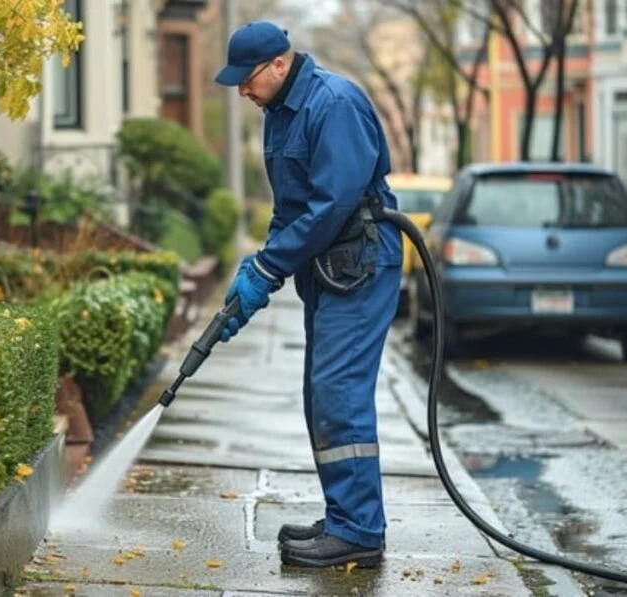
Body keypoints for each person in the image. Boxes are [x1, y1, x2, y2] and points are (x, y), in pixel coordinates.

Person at [214, 21, 403, 569]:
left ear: (279, 63)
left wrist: (268, 266)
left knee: (339, 393)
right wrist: (257, 274)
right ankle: (345, 515)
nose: (242, 92)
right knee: (322, 395)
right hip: (328, 268)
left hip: (361, 265)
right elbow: (290, 208)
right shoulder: (280, 113)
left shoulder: (333, 104)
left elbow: (331, 205)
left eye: (246, 80)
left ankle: (359, 531)